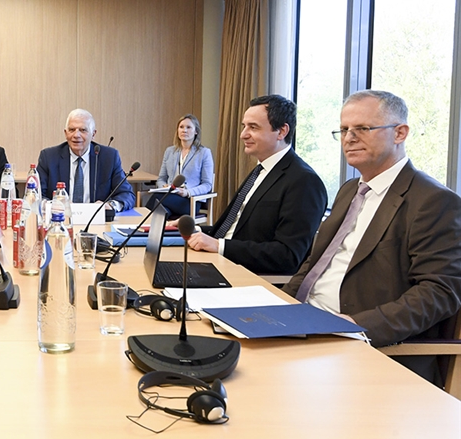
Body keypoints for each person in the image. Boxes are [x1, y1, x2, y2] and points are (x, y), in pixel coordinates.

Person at [282, 90, 461, 385]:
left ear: (400, 133)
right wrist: (280, 305)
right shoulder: (349, 190)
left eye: (362, 128)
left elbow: (440, 292)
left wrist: (356, 325)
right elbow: (315, 264)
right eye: (344, 130)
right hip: (300, 326)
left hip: (361, 345)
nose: (349, 138)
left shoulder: (433, 201)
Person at [171, 95, 327, 275]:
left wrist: (219, 246)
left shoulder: (304, 181)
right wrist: (192, 230)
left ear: (282, 131)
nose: (243, 134)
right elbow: (233, 230)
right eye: (244, 126)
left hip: (244, 274)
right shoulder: (259, 171)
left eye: (253, 127)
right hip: (219, 262)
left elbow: (288, 256)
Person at [37, 109, 136, 211]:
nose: (76, 135)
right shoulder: (49, 157)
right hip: (61, 217)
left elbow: (127, 194)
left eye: (83, 130)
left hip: (96, 218)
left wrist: (110, 205)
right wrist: (54, 205)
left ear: (93, 134)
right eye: (72, 130)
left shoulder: (109, 157)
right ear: (66, 133)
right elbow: (36, 196)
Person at [146, 114, 214, 218]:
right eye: (181, 127)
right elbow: (161, 179)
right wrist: (163, 186)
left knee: (157, 199)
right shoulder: (169, 151)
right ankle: (166, 226)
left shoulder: (204, 153)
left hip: (190, 200)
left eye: (188, 127)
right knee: (162, 212)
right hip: (169, 196)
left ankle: (139, 224)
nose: (184, 130)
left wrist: (188, 192)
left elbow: (207, 184)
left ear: (196, 131)